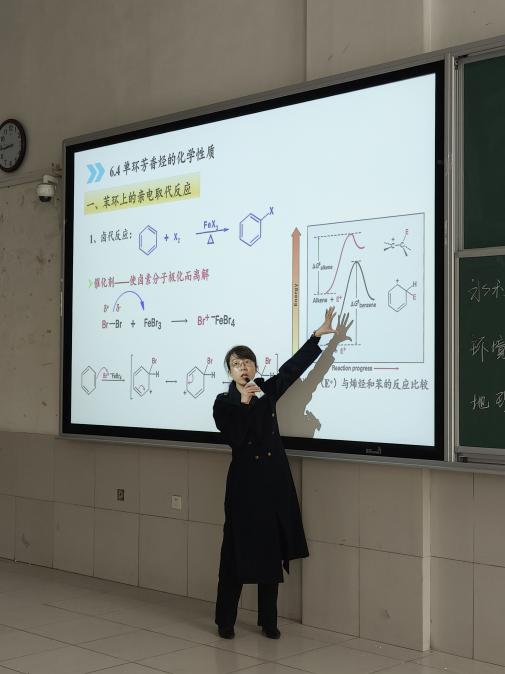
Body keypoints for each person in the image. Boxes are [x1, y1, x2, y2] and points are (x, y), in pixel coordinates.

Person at [213, 307, 353, 639]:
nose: (244, 367)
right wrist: (243, 404)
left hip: (273, 483)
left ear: (255, 367)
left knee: (270, 552)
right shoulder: (223, 403)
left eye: (248, 362)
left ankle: (269, 620)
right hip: (244, 488)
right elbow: (235, 438)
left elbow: (294, 371)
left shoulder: (266, 390)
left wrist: (318, 338)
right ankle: (225, 621)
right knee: (234, 553)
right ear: (230, 371)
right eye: (236, 363)